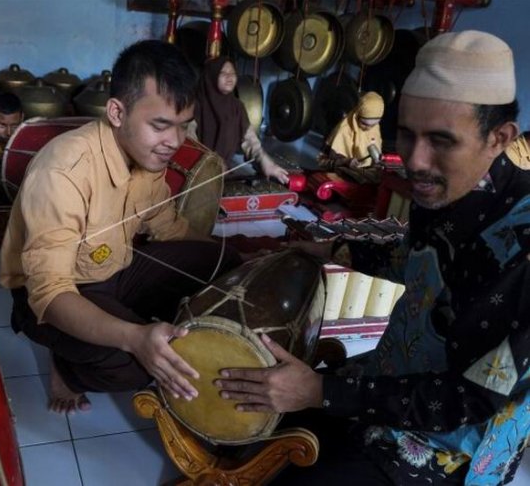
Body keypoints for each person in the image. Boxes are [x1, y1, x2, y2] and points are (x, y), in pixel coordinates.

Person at [216, 30, 529, 485]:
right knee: (245, 425)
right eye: (406, 133)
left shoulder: (522, 247)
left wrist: (320, 390)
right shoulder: (446, 189)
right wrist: (334, 249)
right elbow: (409, 255)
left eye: (441, 140)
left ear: (499, 137)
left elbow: (469, 399)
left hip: (449, 445)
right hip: (388, 385)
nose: (416, 160)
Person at [0, 40, 241, 414]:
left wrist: (243, 253)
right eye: (160, 125)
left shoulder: (147, 159)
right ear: (116, 111)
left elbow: (170, 228)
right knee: (138, 367)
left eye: (183, 125)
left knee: (223, 261)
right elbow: (49, 293)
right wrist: (137, 337)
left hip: (113, 269)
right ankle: (67, 369)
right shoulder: (62, 170)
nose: (174, 142)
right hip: (52, 294)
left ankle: (130, 325)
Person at [192, 57, 290, 185]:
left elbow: (250, 141)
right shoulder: (195, 104)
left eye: (233, 73)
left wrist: (266, 163)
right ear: (212, 76)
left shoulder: (236, 107)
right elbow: (188, 142)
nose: (230, 77)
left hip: (222, 174)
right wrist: (207, 167)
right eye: (224, 73)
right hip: (196, 174)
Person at [318, 91, 384, 171]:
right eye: (364, 123)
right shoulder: (345, 129)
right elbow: (325, 160)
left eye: (373, 125)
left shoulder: (375, 128)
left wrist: (376, 164)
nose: (368, 128)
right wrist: (346, 161)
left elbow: (376, 154)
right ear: (357, 116)